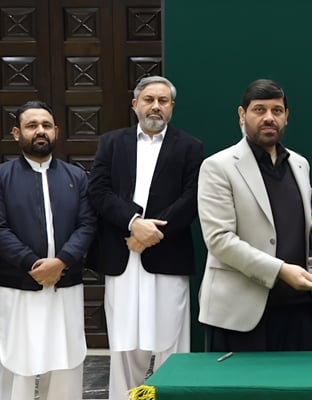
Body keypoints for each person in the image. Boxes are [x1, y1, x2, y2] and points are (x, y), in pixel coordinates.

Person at [88, 76, 204, 400]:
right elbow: (98, 191)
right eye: (149, 99)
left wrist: (152, 233)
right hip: (122, 255)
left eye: (163, 100)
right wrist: (132, 224)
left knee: (170, 339)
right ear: (135, 103)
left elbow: (192, 197)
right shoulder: (111, 143)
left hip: (167, 255)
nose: (156, 106)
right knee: (126, 343)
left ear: (172, 107)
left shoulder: (190, 146)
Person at [197, 78, 312, 352]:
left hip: (298, 310)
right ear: (242, 115)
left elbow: (282, 223)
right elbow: (220, 241)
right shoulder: (218, 167)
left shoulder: (299, 163)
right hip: (240, 316)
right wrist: (280, 270)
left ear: (286, 117)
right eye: (260, 110)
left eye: (277, 111)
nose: (269, 118)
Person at [0, 101, 96, 400]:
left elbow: (88, 224)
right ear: (17, 133)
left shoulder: (76, 176)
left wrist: (62, 262)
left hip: (65, 284)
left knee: (66, 360)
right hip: (18, 286)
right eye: (31, 126)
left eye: (45, 125)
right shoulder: (2, 176)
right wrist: (34, 264)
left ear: (56, 131)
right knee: (18, 363)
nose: (39, 131)